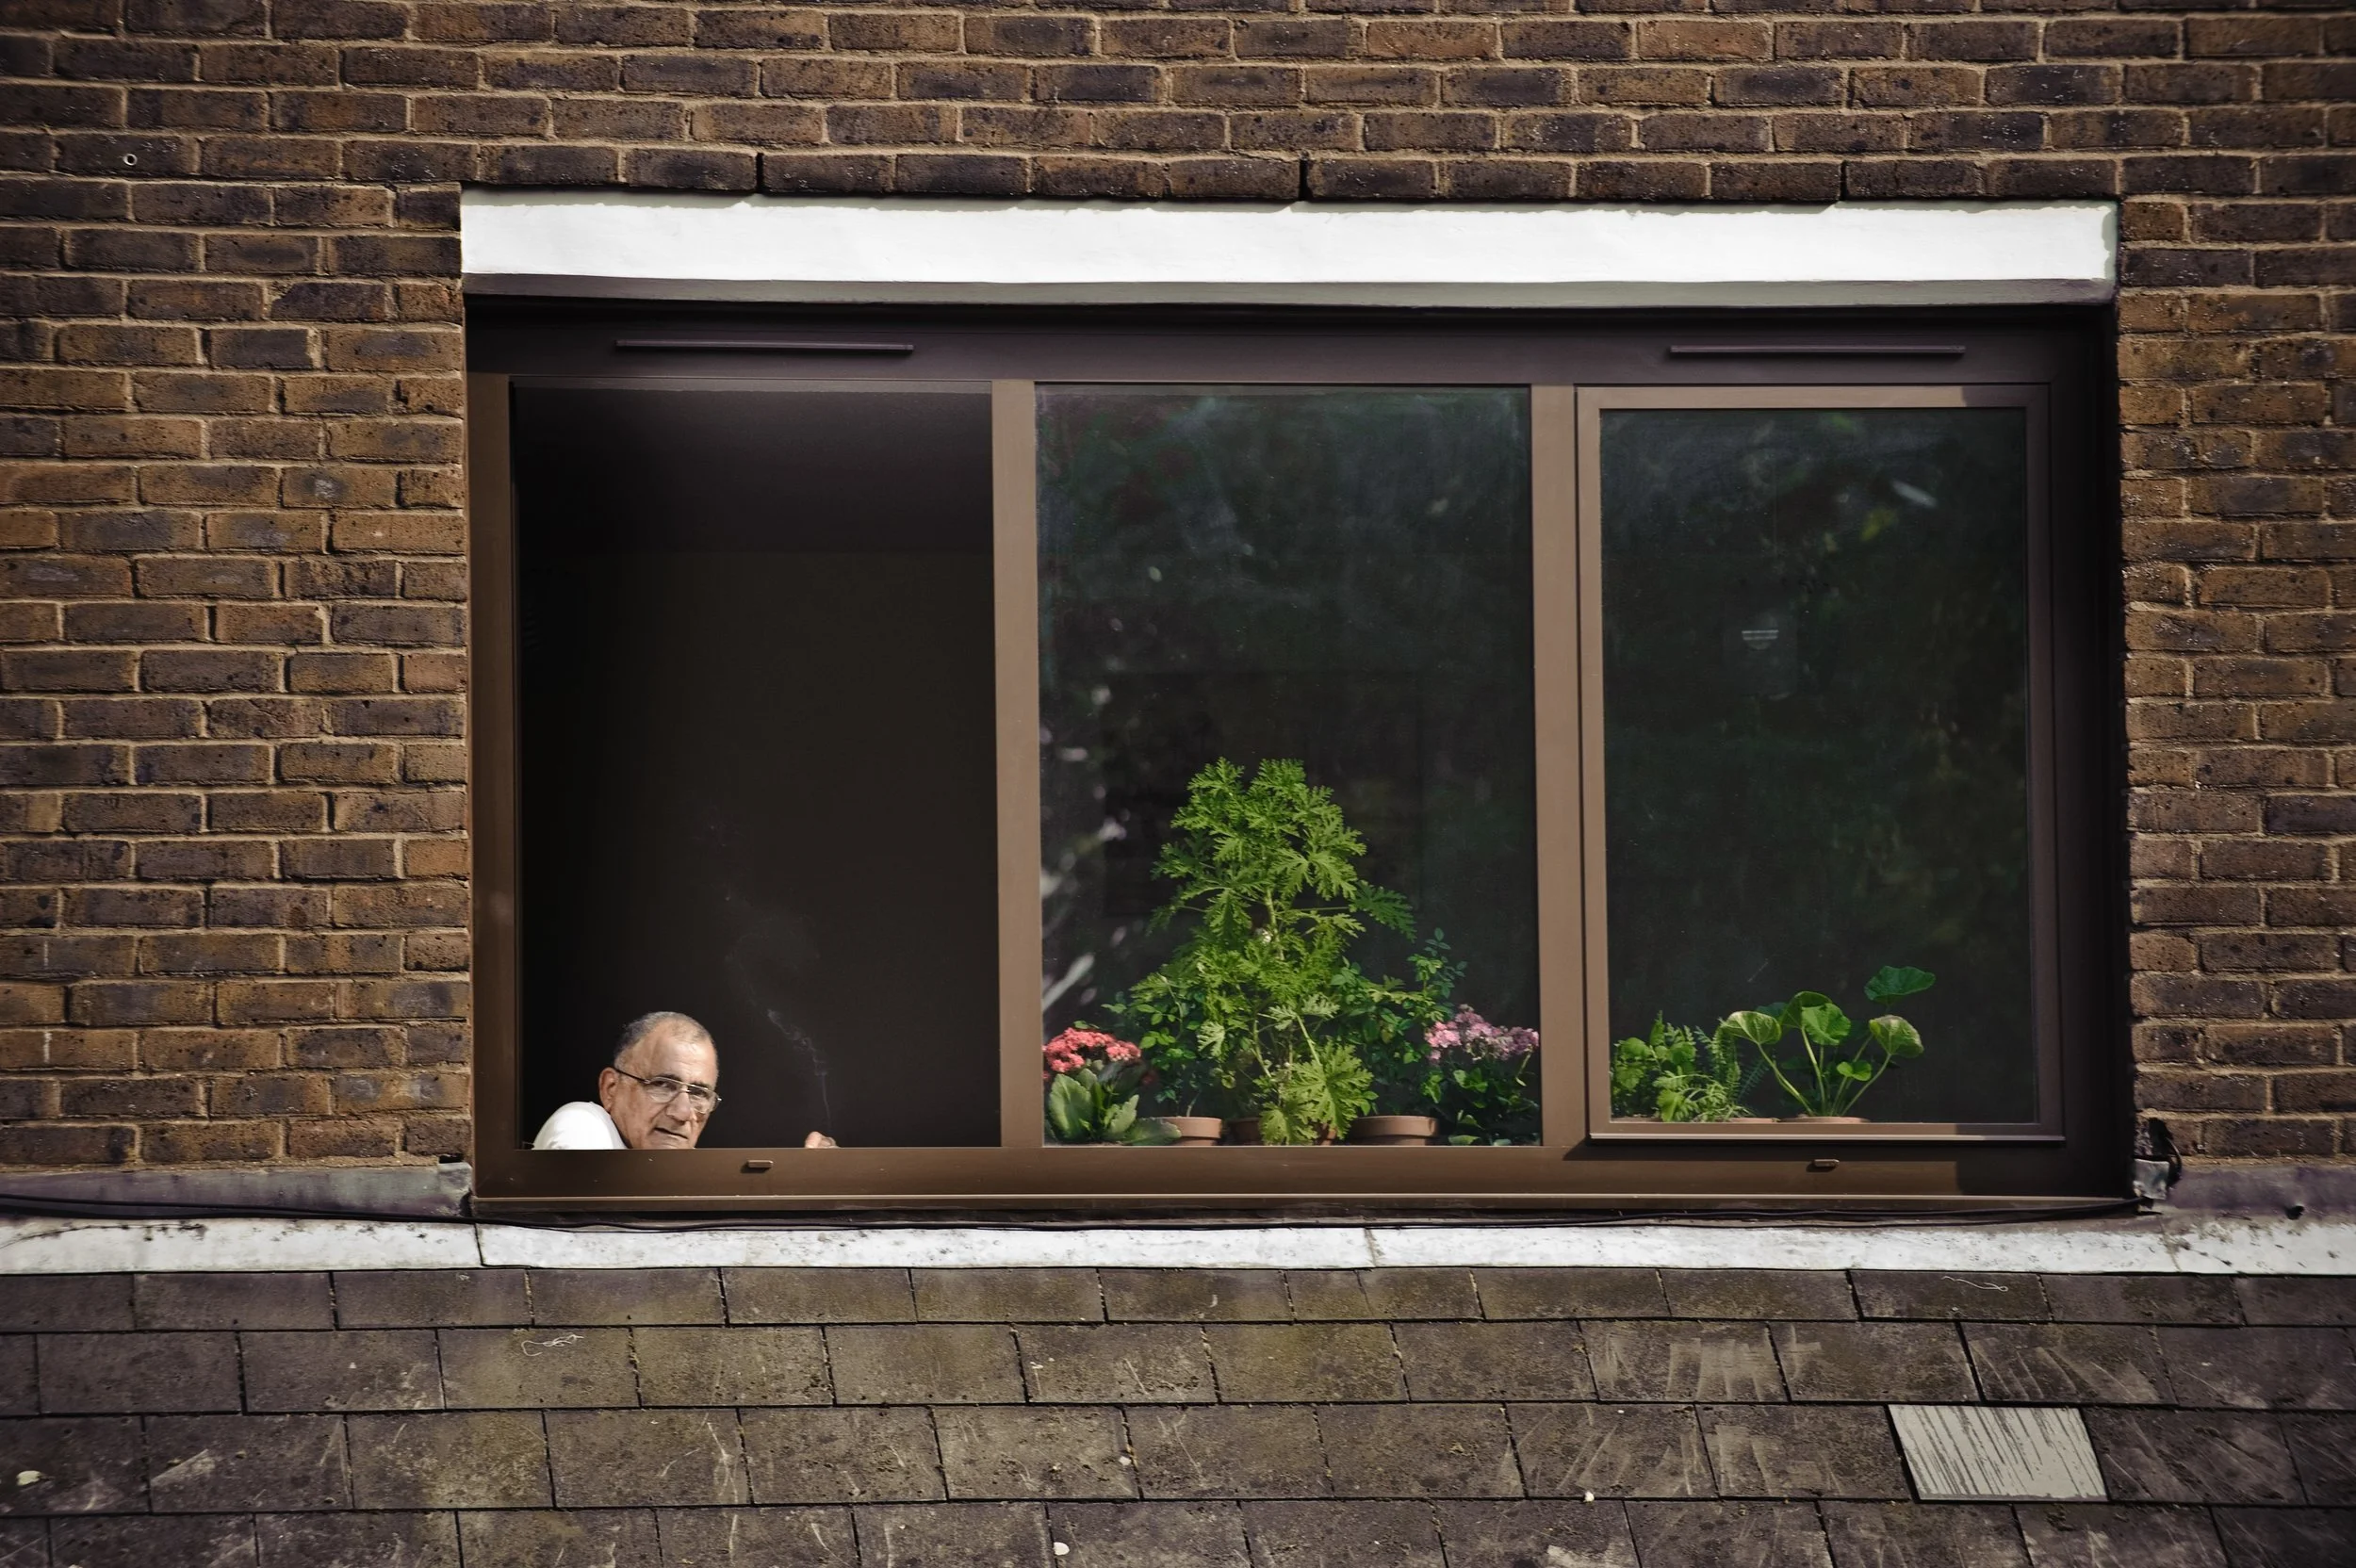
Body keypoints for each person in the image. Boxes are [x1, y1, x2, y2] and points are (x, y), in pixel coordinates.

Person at [533, 1011, 721, 1150]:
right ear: (611, 1089)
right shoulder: (582, 1125)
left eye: (698, 1093)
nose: (682, 1113)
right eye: (663, 1084)